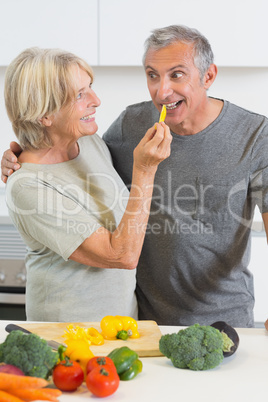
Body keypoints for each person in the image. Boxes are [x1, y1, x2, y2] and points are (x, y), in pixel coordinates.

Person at [2, 25, 268, 327]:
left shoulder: (256, 136)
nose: (161, 91)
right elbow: (53, 156)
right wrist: (19, 159)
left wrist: (23, 154)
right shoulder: (130, 125)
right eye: (152, 75)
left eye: (176, 74)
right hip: (137, 322)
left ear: (208, 76)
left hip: (222, 318)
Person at [1, 47, 172, 322]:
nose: (96, 100)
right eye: (80, 95)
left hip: (119, 326)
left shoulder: (88, 142)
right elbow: (122, 256)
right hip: (68, 336)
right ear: (45, 115)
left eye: (90, 87)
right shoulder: (27, 186)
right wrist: (146, 169)